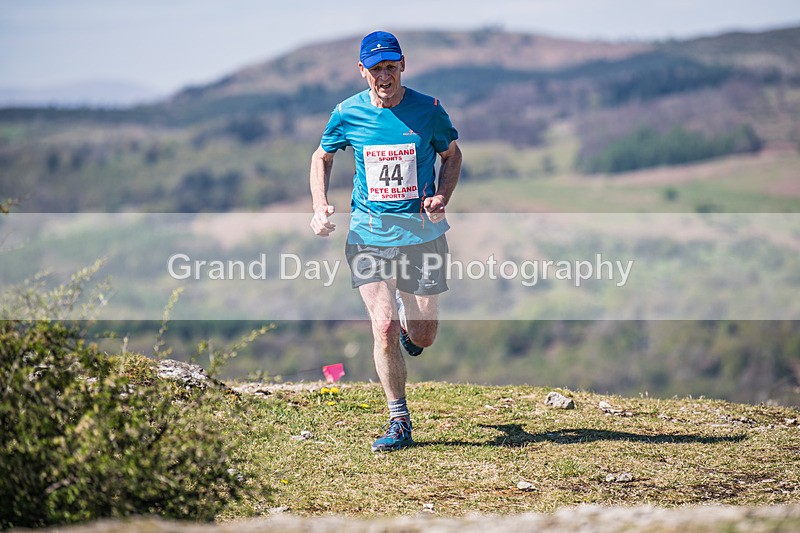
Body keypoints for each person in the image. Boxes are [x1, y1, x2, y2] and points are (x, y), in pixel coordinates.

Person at [309, 30, 462, 452]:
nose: (384, 76)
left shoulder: (428, 110)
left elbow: (452, 155)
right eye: (375, 69)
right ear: (362, 71)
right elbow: (322, 156)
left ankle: (413, 334)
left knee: (424, 334)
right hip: (368, 233)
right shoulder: (346, 113)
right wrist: (320, 205)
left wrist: (441, 197)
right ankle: (399, 421)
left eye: (390, 67)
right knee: (383, 326)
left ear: (403, 66)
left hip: (421, 234)